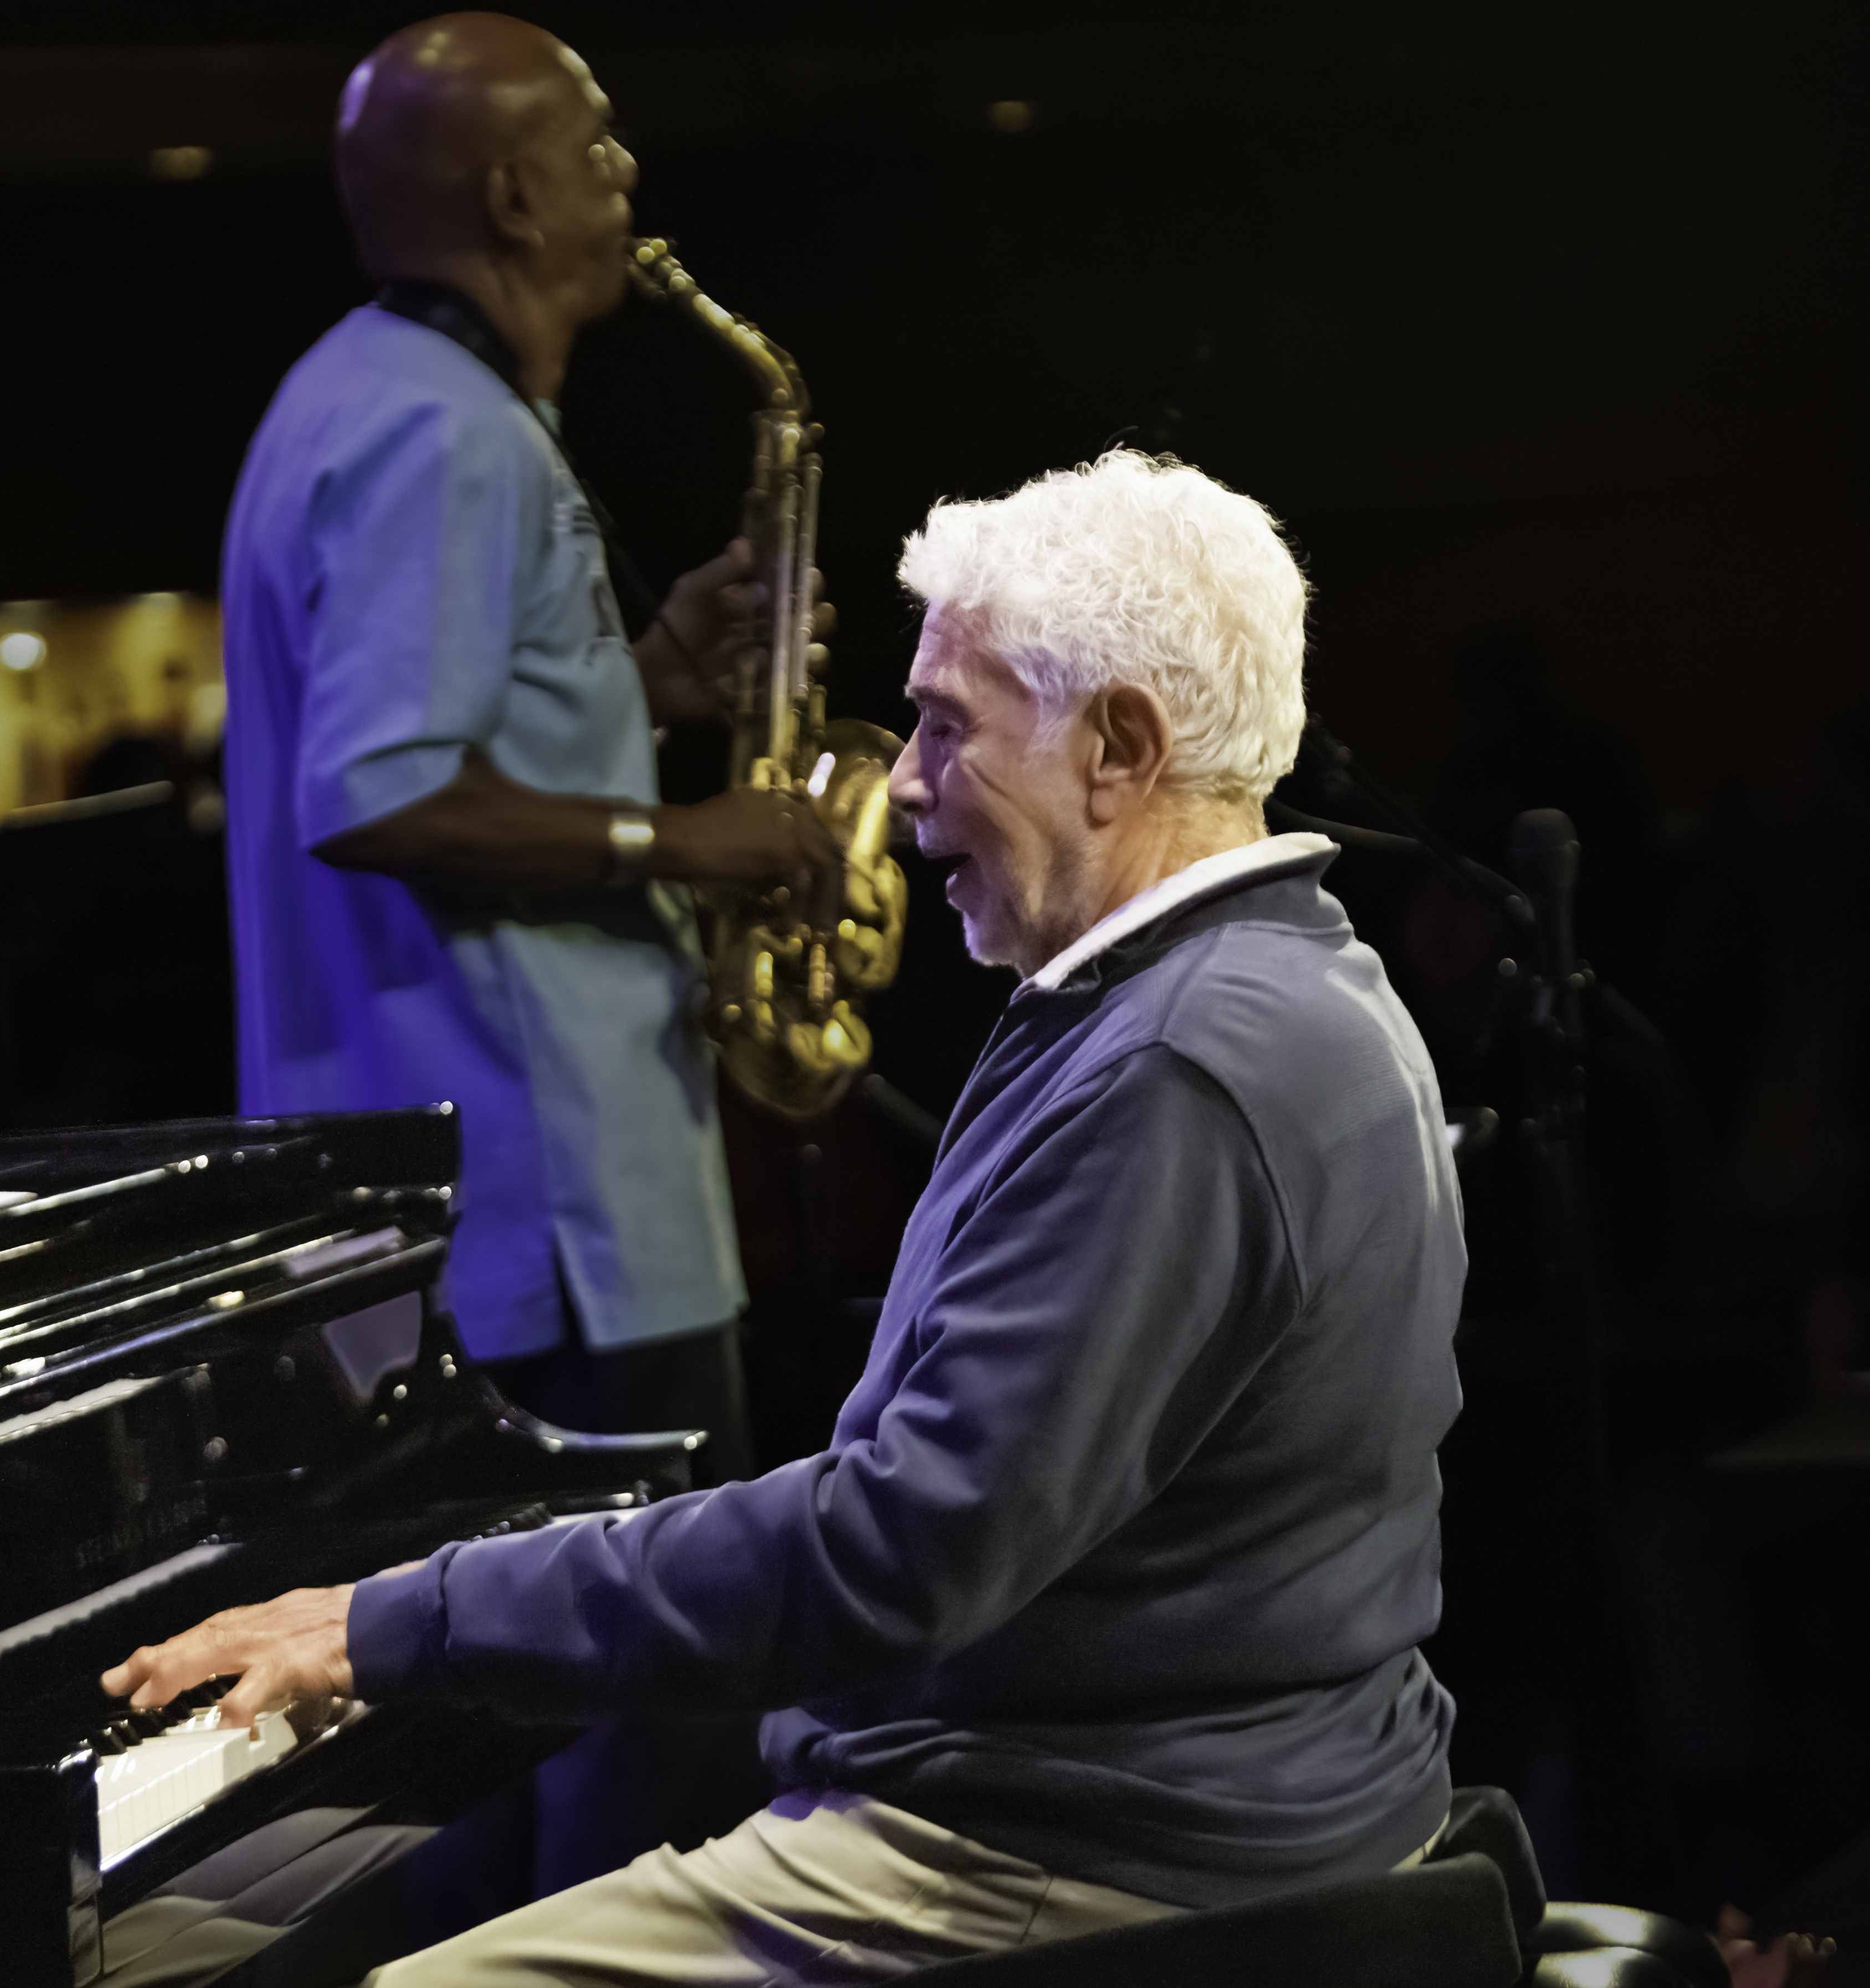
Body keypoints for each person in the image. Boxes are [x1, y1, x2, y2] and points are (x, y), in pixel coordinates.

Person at [107, 446, 1469, 1982]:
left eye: (946, 726)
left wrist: (403, 1619)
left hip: (1074, 1857)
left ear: (1118, 746)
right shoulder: (1287, 981)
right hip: (1189, 1795)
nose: (896, 784)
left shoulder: (1176, 1061)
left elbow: (897, 1551)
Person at [218, 10, 841, 1480]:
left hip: (469, 1202)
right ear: (511, 197)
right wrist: (688, 842)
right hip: (544, 1206)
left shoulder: (361, 396)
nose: (626, 174)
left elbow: (437, 724)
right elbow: (378, 790)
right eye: (596, 145)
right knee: (652, 1689)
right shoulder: (445, 430)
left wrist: (646, 679)